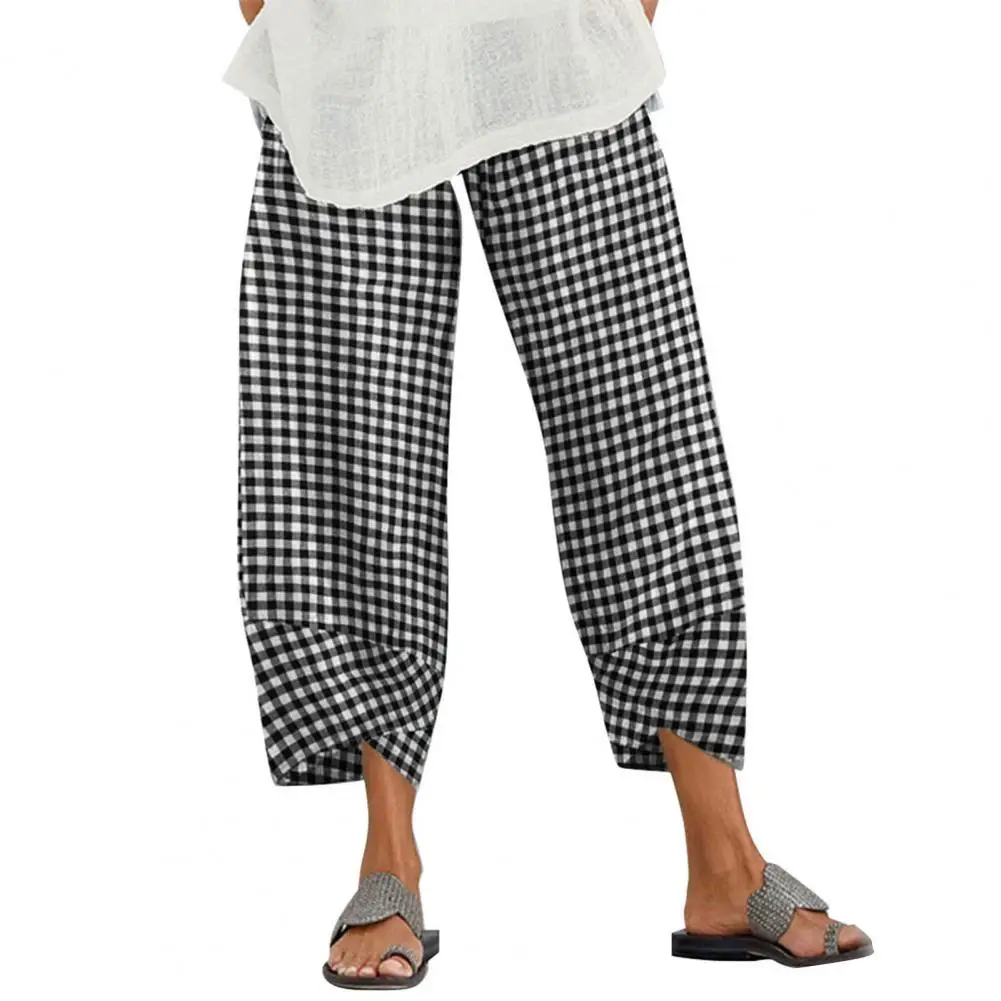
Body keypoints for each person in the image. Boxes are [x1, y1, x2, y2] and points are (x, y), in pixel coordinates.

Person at [224, 0, 872, 987]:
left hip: (553, 34)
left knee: (645, 438)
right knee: (352, 453)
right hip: (345, 41)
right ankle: (388, 860)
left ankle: (724, 864)